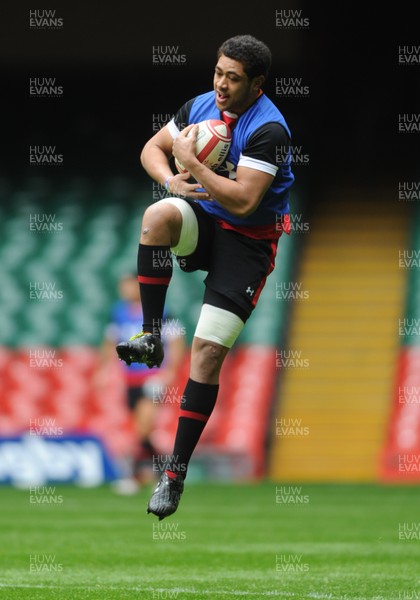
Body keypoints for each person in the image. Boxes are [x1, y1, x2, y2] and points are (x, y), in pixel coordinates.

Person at [116, 34, 294, 518]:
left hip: (249, 243)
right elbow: (152, 149)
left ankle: (173, 475)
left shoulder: (269, 130)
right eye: (218, 72)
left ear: (257, 84)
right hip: (205, 220)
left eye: (233, 78)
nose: (220, 84)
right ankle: (151, 337)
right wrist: (171, 179)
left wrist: (191, 162)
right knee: (157, 217)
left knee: (207, 352)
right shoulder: (198, 105)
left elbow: (243, 201)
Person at [97, 272, 186, 493]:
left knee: (144, 424)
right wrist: (103, 369)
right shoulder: (118, 313)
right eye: (123, 286)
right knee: (142, 430)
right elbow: (110, 341)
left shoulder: (161, 311)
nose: (125, 290)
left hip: (153, 377)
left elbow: (177, 340)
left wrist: (171, 371)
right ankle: (167, 470)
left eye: (129, 285)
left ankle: (134, 476)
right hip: (130, 379)